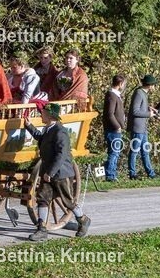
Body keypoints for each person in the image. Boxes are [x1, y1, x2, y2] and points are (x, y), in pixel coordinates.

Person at [22, 103, 91, 240]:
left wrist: (50, 173)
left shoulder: (60, 132)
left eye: (43, 113)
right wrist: (29, 126)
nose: (41, 114)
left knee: (68, 202)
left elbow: (61, 155)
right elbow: (40, 138)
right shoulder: (49, 129)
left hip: (61, 173)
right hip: (48, 172)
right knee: (42, 198)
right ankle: (42, 229)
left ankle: (83, 219)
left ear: (49, 116)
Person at [128, 75, 157, 180]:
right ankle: (132, 173)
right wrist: (148, 114)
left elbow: (140, 107)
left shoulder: (143, 93)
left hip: (142, 127)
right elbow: (135, 111)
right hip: (137, 127)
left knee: (145, 151)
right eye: (154, 85)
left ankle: (151, 173)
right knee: (134, 151)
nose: (154, 87)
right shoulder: (139, 93)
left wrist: (149, 108)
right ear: (150, 85)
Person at [103, 75, 127, 182]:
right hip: (113, 130)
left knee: (115, 152)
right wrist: (117, 126)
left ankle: (111, 173)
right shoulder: (112, 95)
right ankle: (110, 174)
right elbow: (110, 114)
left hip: (115, 129)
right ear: (120, 84)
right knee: (114, 152)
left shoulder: (116, 95)